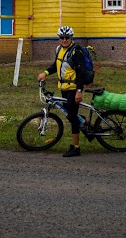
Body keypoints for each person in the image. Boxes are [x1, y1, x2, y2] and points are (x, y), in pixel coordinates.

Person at [37, 25, 86, 157]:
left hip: (73, 88)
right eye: (62, 38)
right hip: (64, 88)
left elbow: (82, 73)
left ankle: (76, 148)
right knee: (71, 115)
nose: (64, 40)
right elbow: (56, 65)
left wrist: (79, 91)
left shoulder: (76, 52)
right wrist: (45, 73)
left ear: (71, 38)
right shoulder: (59, 49)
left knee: (73, 117)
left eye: (67, 38)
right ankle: (86, 123)